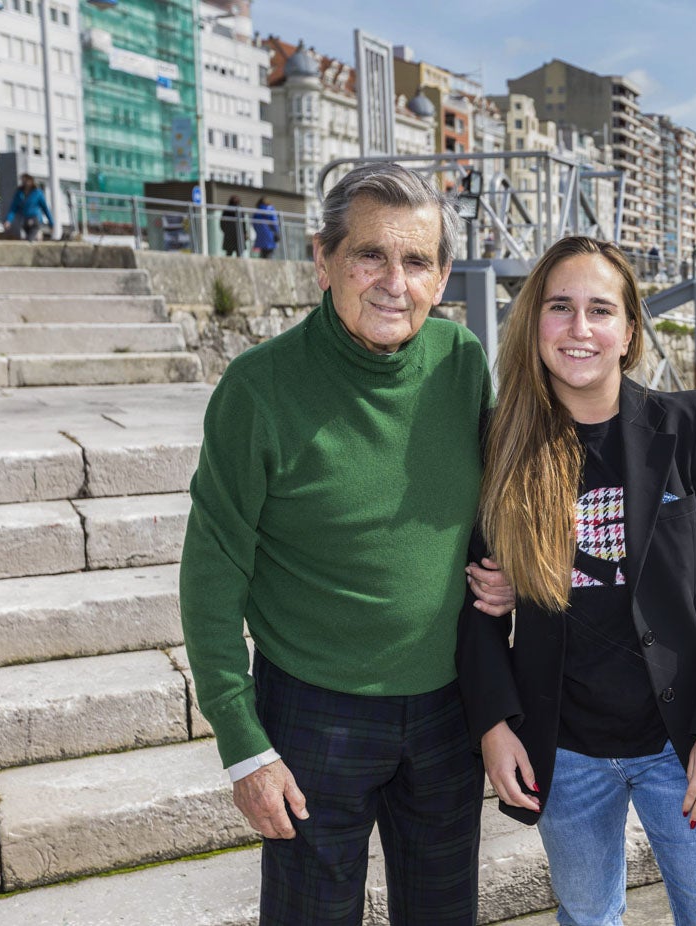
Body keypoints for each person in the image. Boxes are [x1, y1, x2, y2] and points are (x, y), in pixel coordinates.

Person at [180, 162, 514, 925]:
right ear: (324, 257)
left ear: (443, 276)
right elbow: (210, 576)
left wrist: (517, 578)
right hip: (310, 712)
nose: (394, 282)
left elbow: (493, 510)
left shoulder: (461, 363)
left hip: (446, 710)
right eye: (369, 255)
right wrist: (244, 746)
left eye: (417, 261)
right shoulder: (258, 390)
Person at [457, 236, 696, 926]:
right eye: (559, 307)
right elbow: (476, 602)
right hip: (564, 750)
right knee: (587, 917)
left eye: (600, 310)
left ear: (628, 332)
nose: (579, 328)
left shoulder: (688, 428)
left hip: (684, 743)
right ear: (533, 322)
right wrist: (492, 724)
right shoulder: (500, 445)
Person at [5, 174, 54, 242]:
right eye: (23, 180)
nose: (25, 182)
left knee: (30, 239)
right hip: (25, 220)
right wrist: (8, 220)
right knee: (30, 238)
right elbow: (13, 208)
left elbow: (45, 208)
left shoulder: (37, 193)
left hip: (35, 219)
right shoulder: (19, 194)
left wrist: (51, 223)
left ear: (31, 181)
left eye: (27, 180)